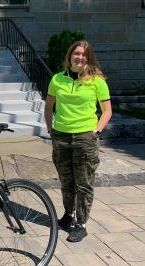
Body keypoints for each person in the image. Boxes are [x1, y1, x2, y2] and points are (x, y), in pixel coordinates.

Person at [44, 40, 112, 243]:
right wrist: (50, 129)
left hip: (85, 138)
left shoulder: (97, 81)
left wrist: (96, 131)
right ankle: (68, 214)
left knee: (83, 183)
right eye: (77, 53)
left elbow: (107, 110)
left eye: (84, 54)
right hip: (61, 137)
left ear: (88, 58)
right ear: (70, 56)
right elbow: (49, 107)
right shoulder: (57, 79)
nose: (80, 57)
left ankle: (81, 224)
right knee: (66, 180)